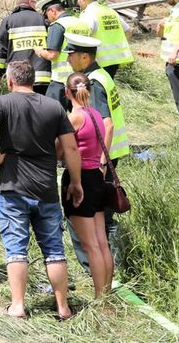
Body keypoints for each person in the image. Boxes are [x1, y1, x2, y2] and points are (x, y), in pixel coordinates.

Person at [0, 60, 83, 320]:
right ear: (33, 80)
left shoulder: (3, 103)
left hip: (13, 188)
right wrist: (76, 182)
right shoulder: (54, 106)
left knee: (16, 250)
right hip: (46, 189)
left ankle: (18, 306)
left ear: (11, 81)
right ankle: (63, 308)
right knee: (55, 250)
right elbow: (70, 148)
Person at [63, 32, 127, 271]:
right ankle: (106, 268)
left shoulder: (94, 82)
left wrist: (101, 163)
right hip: (105, 157)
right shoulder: (102, 75)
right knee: (101, 217)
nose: (68, 59)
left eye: (71, 55)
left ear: (84, 56)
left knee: (96, 221)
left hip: (98, 162)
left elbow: (107, 123)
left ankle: (96, 268)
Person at [60, 71, 114, 298]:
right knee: (102, 243)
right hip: (97, 178)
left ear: (66, 92)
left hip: (80, 178)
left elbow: (60, 150)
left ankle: (100, 298)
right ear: (89, 91)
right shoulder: (96, 114)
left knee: (90, 246)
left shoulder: (74, 118)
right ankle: (107, 293)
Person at [36, 0, 91, 105]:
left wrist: (39, 51)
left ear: (52, 11)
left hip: (61, 80)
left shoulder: (58, 25)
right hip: (82, 78)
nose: (47, 18)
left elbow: (53, 55)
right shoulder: (82, 23)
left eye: (46, 14)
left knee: (51, 113)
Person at [74, 0, 133, 77]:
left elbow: (83, 36)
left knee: (95, 89)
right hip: (115, 60)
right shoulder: (110, 11)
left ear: (82, 0)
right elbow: (129, 31)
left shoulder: (88, 13)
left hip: (98, 62)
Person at [0, 0, 48, 92]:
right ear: (30, 3)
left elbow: (0, 49)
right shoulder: (42, 19)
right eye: (34, 2)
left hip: (18, 78)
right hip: (42, 78)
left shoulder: (8, 21)